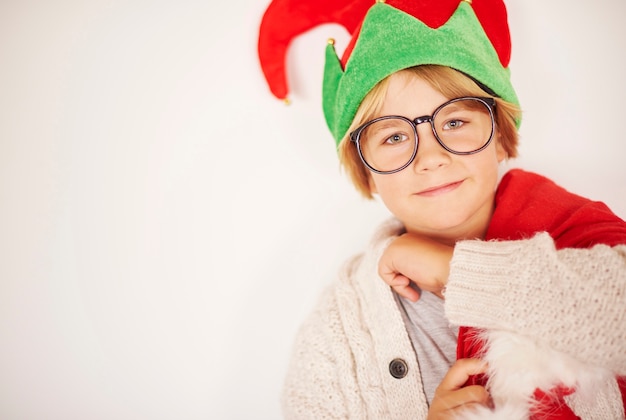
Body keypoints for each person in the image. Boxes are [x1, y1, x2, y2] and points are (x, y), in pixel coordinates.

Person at [258, 0, 626, 418]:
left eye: (454, 122)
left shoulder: (584, 238)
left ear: (502, 137)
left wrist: (455, 271)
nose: (429, 157)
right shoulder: (338, 333)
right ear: (366, 171)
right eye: (393, 137)